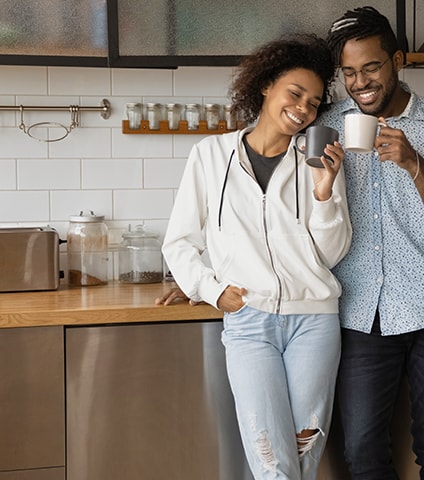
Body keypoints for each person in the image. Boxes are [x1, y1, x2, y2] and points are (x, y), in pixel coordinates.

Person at [161, 34, 351, 480]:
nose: (304, 109)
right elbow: (180, 241)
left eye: (314, 102)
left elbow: (331, 252)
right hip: (250, 323)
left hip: (315, 322)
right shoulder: (211, 156)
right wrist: (211, 290)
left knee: (304, 454)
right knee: (271, 459)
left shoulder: (317, 159)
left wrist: (325, 192)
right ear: (266, 86)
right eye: (295, 93)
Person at [321, 6, 424, 480]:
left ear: (398, 61)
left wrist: (414, 163)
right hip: (361, 313)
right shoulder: (327, 123)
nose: (360, 82)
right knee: (363, 450)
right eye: (349, 72)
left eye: (371, 67)